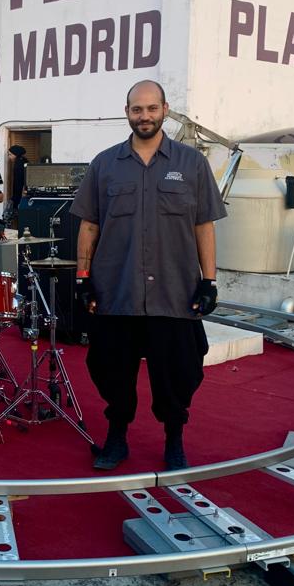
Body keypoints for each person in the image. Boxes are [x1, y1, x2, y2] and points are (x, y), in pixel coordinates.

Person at [70, 80, 226, 472]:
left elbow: (204, 226)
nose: (145, 116)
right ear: (127, 112)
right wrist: (83, 277)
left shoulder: (192, 164)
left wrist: (209, 282)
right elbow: (89, 226)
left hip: (174, 293)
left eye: (152, 109)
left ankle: (174, 440)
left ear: (164, 110)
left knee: (178, 374)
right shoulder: (104, 164)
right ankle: (116, 438)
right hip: (116, 291)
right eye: (137, 109)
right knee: (111, 371)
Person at [3, 144, 27, 227]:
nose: (9, 157)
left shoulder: (18, 165)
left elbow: (18, 184)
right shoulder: (24, 162)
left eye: (10, 154)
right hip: (22, 197)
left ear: (16, 154)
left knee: (7, 217)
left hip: (20, 197)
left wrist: (15, 200)